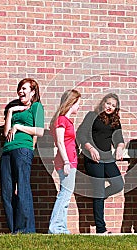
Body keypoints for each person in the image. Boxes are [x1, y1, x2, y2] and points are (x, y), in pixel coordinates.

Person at [0, 78, 44, 234]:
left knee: (23, 188)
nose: (21, 91)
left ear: (33, 92)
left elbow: (39, 131)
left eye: (24, 89)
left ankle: (26, 229)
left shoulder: (37, 107)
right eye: (19, 89)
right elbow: (6, 133)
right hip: (7, 151)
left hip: (23, 150)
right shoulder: (15, 109)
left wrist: (18, 126)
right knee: (7, 190)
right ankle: (13, 229)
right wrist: (11, 112)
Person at [76, 93, 125, 234]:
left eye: (113, 106)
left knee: (118, 184)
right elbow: (81, 134)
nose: (110, 107)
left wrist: (120, 148)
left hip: (107, 158)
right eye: (108, 103)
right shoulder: (92, 116)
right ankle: (101, 229)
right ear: (103, 102)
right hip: (93, 159)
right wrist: (90, 148)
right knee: (98, 190)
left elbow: (119, 138)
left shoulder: (115, 121)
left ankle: (100, 198)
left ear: (116, 109)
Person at [48, 89, 81, 234]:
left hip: (70, 161)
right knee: (64, 195)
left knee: (66, 195)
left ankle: (61, 227)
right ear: (71, 103)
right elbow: (60, 142)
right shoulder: (61, 120)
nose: (79, 107)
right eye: (78, 103)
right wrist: (67, 162)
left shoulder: (66, 121)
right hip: (66, 162)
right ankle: (55, 227)